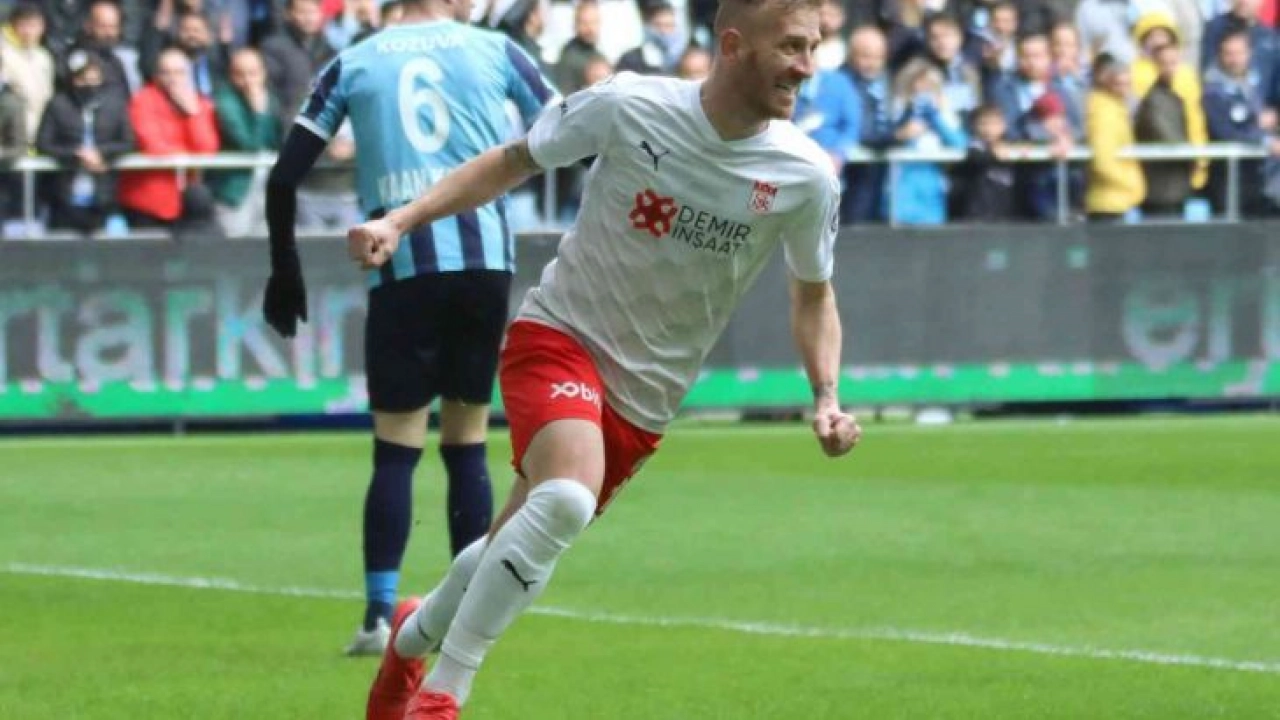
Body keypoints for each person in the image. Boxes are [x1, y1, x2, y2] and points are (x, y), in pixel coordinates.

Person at [347, 0, 861, 714]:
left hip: (645, 399)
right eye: (792, 47)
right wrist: (401, 220)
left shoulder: (805, 175)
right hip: (559, 337)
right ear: (734, 44)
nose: (806, 67)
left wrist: (827, 396)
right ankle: (444, 693)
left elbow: (813, 293)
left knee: (514, 537)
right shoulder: (630, 103)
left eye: (814, 48)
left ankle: (411, 637)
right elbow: (512, 160)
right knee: (565, 498)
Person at [260, 0, 556, 656]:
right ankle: (467, 615)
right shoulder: (495, 50)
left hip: (398, 261)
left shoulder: (355, 60)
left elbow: (283, 177)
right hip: (483, 262)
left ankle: (376, 617)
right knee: (467, 441)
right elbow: (570, 126)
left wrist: (284, 268)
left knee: (396, 447)